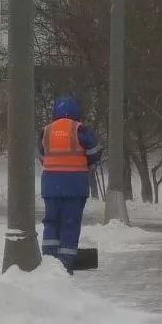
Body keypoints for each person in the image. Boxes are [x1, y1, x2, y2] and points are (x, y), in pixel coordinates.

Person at [39, 96, 103, 271]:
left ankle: (49, 261)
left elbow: (42, 156)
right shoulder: (79, 129)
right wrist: (87, 162)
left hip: (51, 186)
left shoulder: (46, 131)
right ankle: (66, 262)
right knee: (70, 223)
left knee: (51, 222)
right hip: (74, 185)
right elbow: (95, 152)